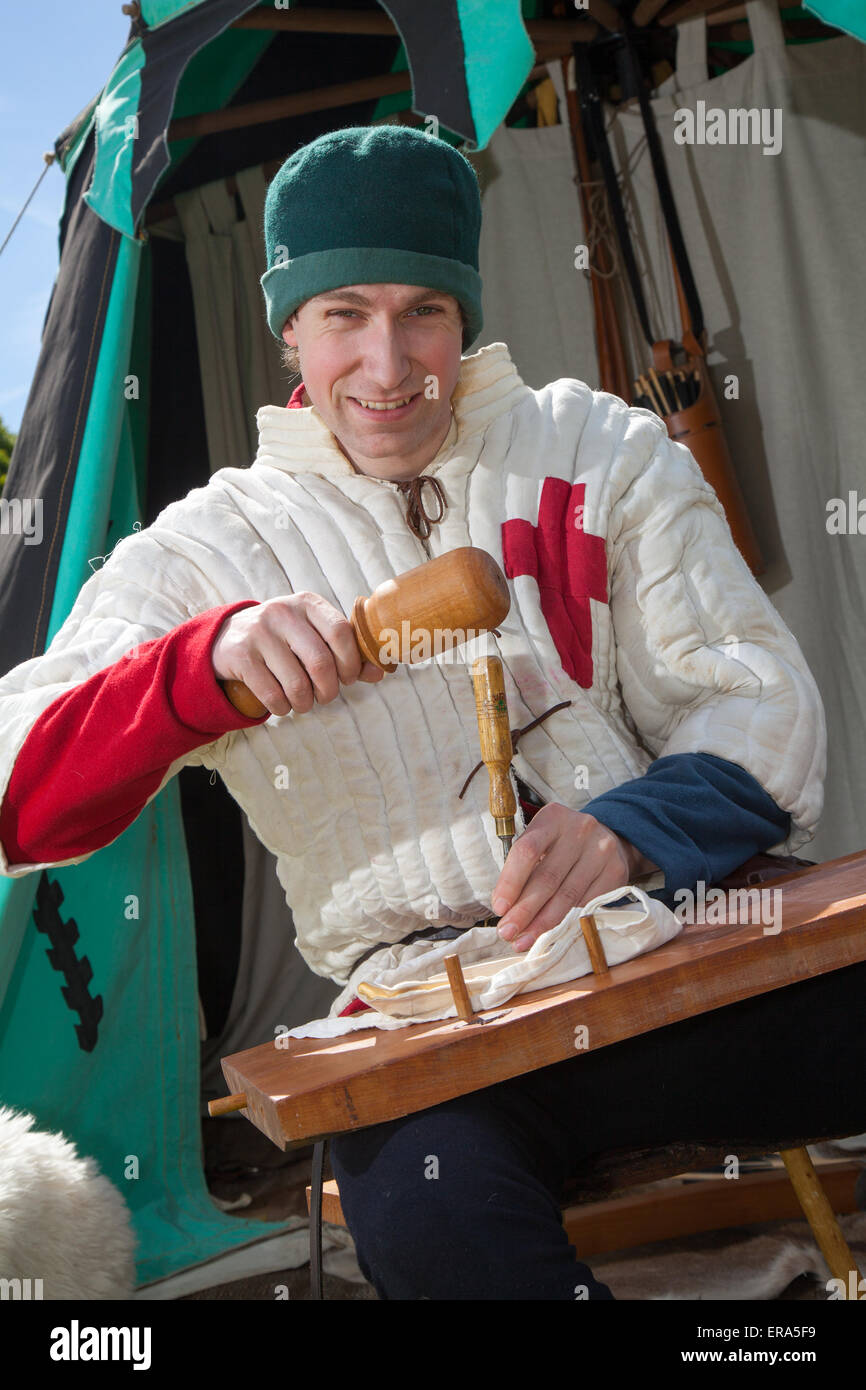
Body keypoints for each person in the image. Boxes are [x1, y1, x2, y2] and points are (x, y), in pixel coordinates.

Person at [0, 125, 862, 1300]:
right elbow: (19, 797)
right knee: (445, 1234)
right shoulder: (208, 548)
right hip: (433, 1028)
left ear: (465, 316)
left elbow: (756, 709)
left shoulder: (595, 448)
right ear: (287, 327)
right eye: (343, 312)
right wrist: (195, 672)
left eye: (424, 313)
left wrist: (630, 832)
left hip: (670, 938)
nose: (389, 363)